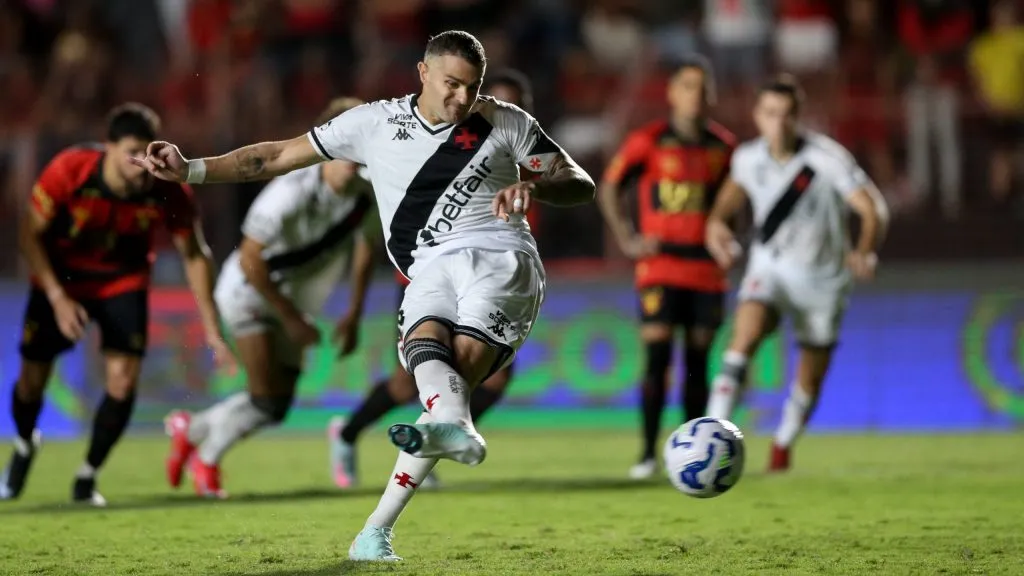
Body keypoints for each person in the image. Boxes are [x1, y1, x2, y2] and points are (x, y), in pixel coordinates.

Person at [130, 31, 594, 561]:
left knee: (454, 376)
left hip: (501, 256)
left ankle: (406, 489)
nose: (461, 99)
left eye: (471, 88)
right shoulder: (373, 123)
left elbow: (577, 180)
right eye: (450, 85)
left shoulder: (505, 121)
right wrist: (191, 168)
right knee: (428, 364)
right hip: (428, 267)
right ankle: (396, 507)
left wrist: (534, 186)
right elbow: (277, 155)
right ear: (422, 73)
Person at [0, 103, 231, 506]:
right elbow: (28, 236)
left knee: (123, 381)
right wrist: (56, 297)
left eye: (146, 153)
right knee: (32, 380)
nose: (141, 164)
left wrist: (212, 327)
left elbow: (194, 253)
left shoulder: (166, 186)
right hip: (62, 280)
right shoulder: (69, 170)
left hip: (122, 281)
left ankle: (88, 476)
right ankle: (23, 444)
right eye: (131, 153)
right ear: (107, 147)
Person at [328, 69, 535, 490]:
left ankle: (441, 433)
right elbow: (371, 244)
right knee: (407, 382)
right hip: (427, 279)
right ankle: (347, 434)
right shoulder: (440, 158)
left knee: (495, 375)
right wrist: (353, 310)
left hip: (486, 278)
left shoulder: (521, 164)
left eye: (516, 103)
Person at [163, 98, 379, 498]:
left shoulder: (366, 194)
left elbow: (368, 246)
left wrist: (354, 311)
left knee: (277, 407)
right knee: (264, 397)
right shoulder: (292, 191)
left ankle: (189, 429)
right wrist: (292, 319)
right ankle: (207, 460)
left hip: (294, 302)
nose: (358, 156)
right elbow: (250, 259)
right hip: (249, 291)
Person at [702, 75, 889, 472]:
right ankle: (710, 435)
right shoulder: (747, 158)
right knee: (744, 337)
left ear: (800, 117)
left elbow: (873, 209)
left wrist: (865, 250)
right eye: (771, 114)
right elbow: (725, 206)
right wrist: (717, 226)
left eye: (787, 115)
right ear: (758, 116)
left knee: (810, 376)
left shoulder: (827, 159)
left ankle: (783, 443)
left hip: (823, 281)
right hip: (770, 268)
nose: (779, 123)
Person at [598, 55, 736, 480]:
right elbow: (610, 188)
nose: (697, 95)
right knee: (657, 355)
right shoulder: (649, 141)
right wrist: (626, 238)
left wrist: (732, 240)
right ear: (673, 93)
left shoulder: (724, 148)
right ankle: (645, 453)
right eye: (689, 86)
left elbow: (737, 201)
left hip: (706, 268)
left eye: (704, 87)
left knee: (697, 362)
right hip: (659, 266)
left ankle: (689, 454)